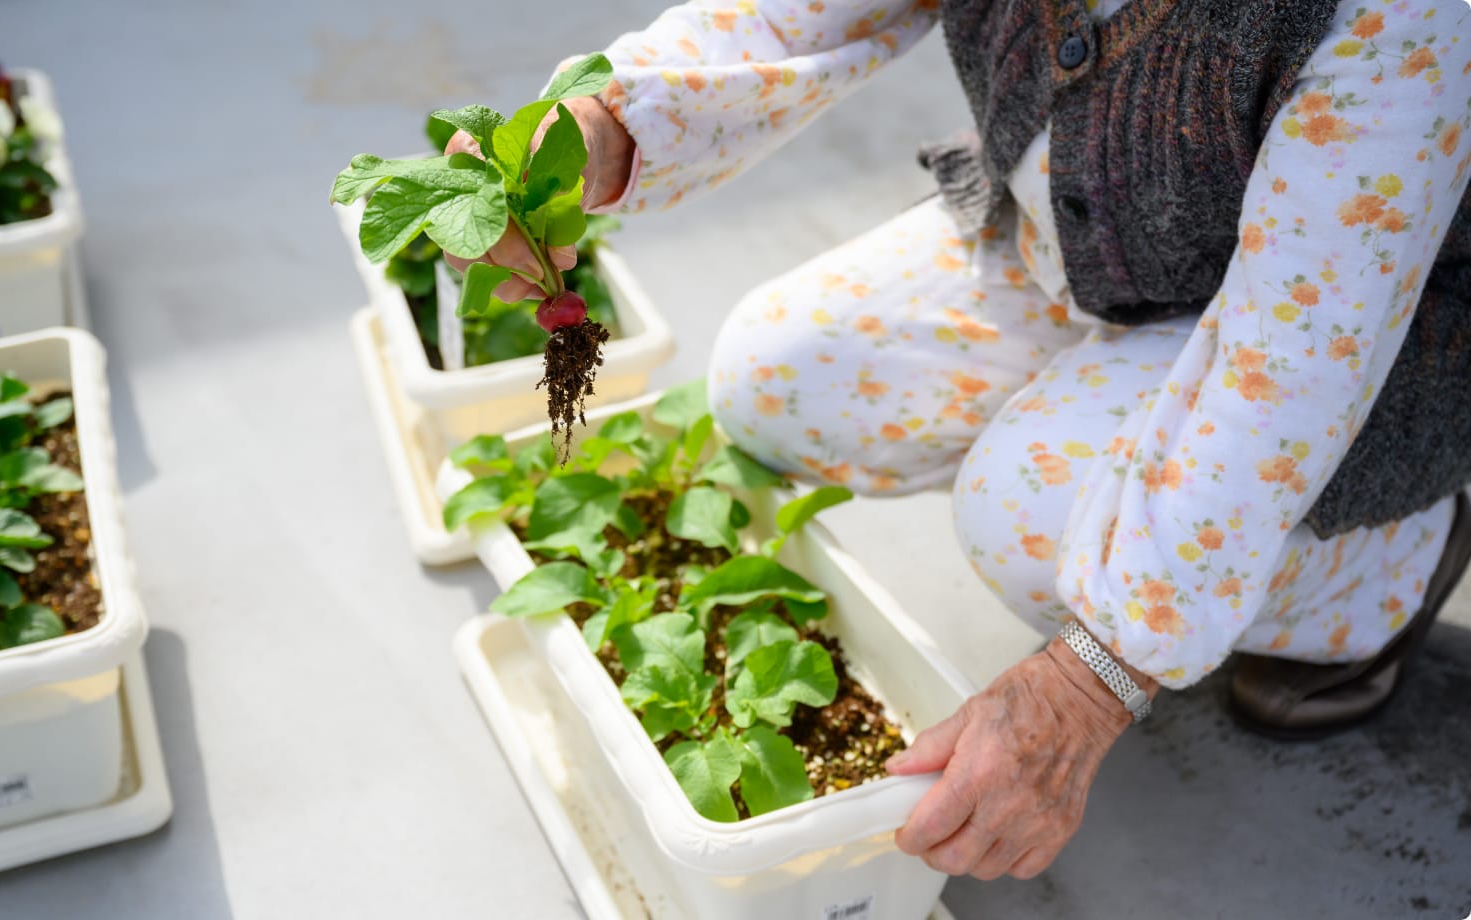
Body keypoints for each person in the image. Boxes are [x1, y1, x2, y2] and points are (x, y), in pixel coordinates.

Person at [448, 0, 1471, 881]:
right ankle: (1095, 400)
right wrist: (610, 121)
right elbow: (789, 14)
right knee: (776, 378)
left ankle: (1384, 572)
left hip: (1347, 342)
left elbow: (1288, 359)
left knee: (1031, 522)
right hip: (1069, 233)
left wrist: (1091, 680)